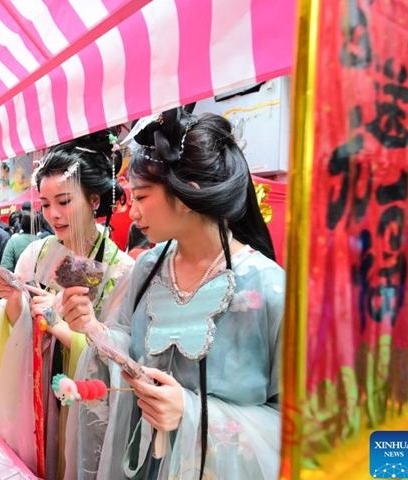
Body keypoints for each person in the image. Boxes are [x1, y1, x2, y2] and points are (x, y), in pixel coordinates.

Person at [65, 109, 284, 480]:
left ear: (188, 195)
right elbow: (124, 343)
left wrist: (191, 414)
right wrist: (92, 329)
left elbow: (303, 423)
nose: (131, 212)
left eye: (142, 196)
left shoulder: (267, 287)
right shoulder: (148, 267)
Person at [0, 128, 134, 478]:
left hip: (84, 398)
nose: (54, 214)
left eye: (64, 202)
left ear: (95, 199)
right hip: (35, 383)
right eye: (47, 204)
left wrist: (63, 328)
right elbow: (16, 320)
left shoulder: (121, 269)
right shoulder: (36, 254)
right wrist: (11, 303)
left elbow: (119, 355)